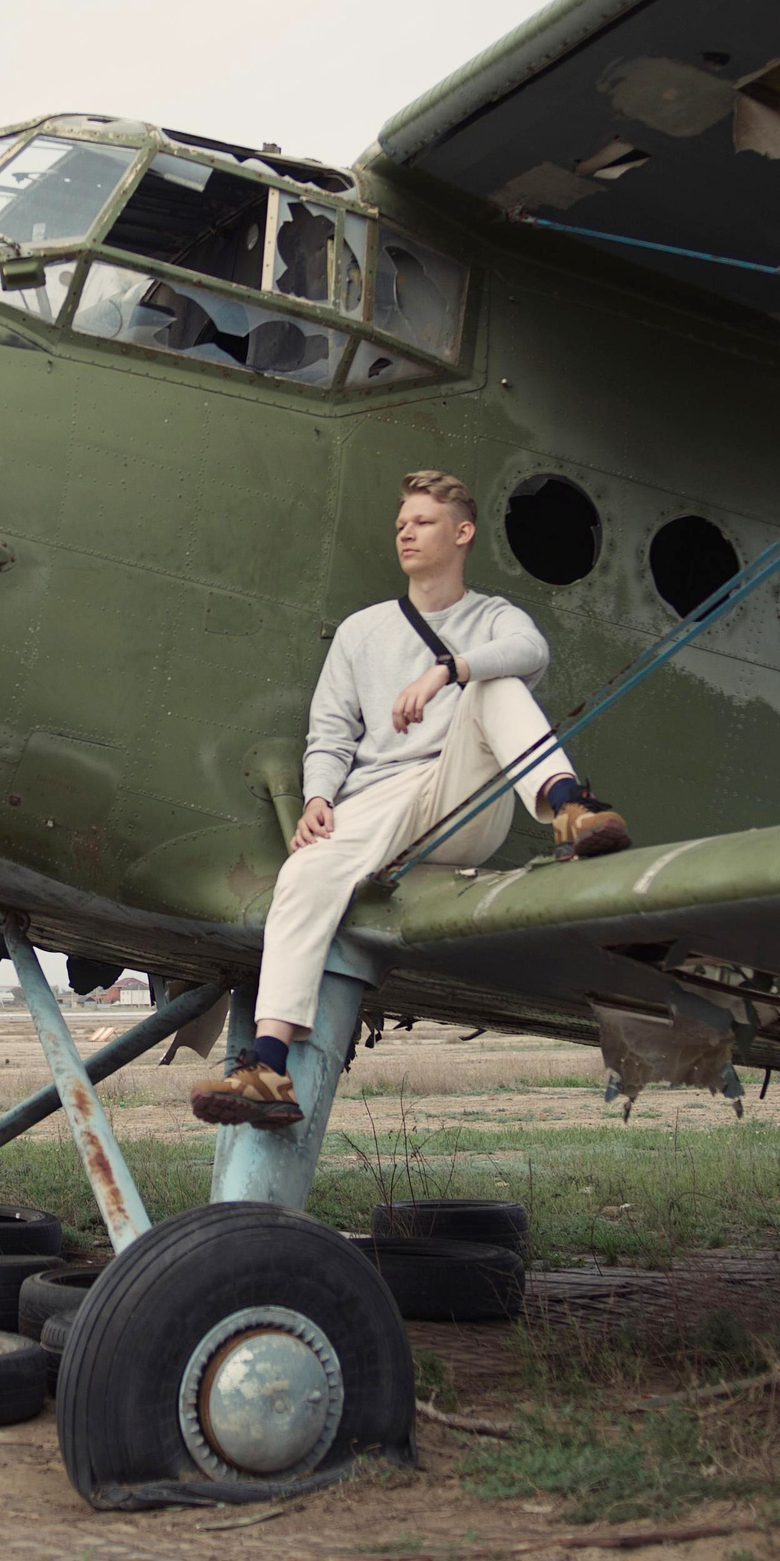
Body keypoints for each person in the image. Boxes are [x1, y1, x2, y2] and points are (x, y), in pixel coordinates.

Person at [192, 470, 630, 1129]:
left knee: (494, 683)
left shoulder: (492, 617)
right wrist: (317, 796)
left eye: (422, 521)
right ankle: (267, 1065)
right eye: (401, 523)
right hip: (381, 797)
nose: (406, 531)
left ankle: (567, 807)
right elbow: (333, 730)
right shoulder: (363, 631)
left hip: (466, 792)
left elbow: (531, 650)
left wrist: (450, 668)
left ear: (462, 533)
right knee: (305, 873)